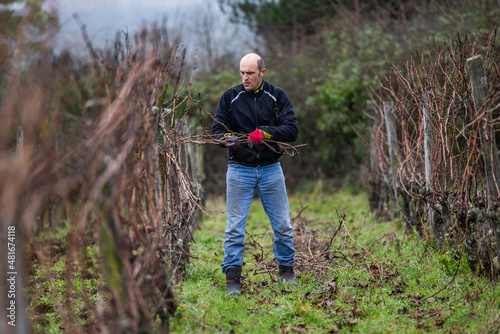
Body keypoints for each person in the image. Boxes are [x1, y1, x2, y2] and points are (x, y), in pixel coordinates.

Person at [212, 53, 299, 296]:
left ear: (262, 72)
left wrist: (266, 133)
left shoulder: (277, 95)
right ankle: (233, 281)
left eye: (250, 73)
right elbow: (217, 130)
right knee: (234, 229)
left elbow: (292, 129)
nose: (245, 77)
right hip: (239, 170)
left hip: (271, 169)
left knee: (282, 224)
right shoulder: (230, 97)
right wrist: (226, 141)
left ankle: (286, 273)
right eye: (242, 72)